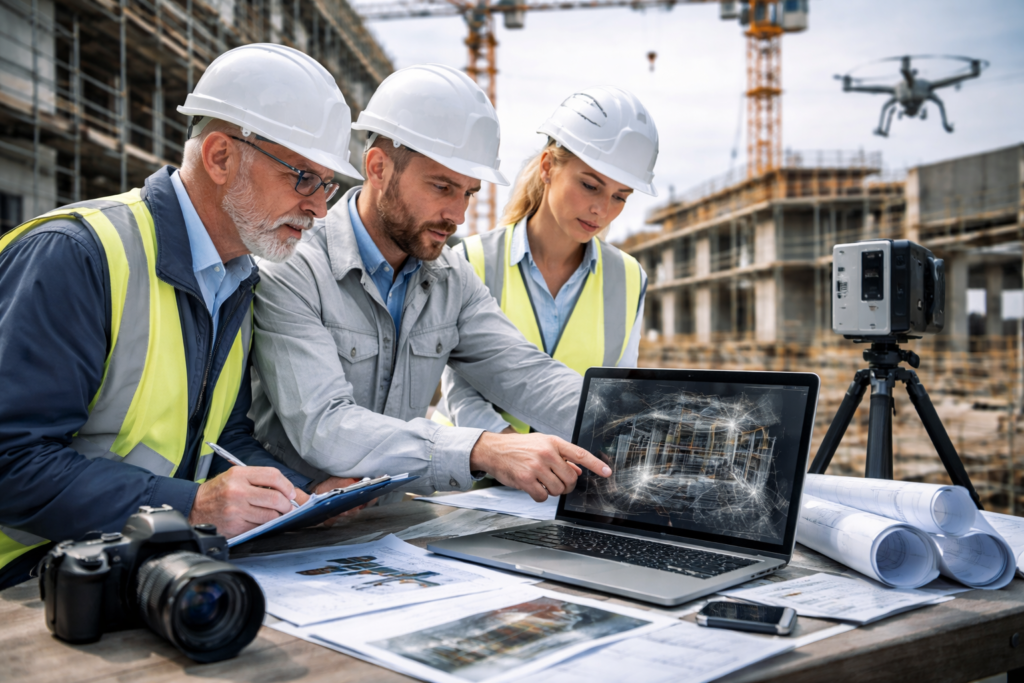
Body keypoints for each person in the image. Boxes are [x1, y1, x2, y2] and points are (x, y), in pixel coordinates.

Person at [0, 44, 362, 589]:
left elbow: (219, 436)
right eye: (303, 178)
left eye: (328, 186)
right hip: (24, 586)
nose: (319, 207)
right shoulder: (75, 255)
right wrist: (190, 505)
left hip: (137, 569)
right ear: (220, 157)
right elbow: (11, 463)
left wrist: (300, 496)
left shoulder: (238, 277)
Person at [249, 64, 613, 506]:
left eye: (469, 193)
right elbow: (324, 427)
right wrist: (482, 449)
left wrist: (632, 420)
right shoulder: (293, 267)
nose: (458, 215)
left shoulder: (450, 276)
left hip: (393, 530)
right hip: (290, 529)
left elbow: (523, 372)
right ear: (378, 167)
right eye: (442, 187)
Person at [433, 87, 656, 434]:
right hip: (464, 480)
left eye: (619, 197)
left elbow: (617, 392)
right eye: (590, 185)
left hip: (567, 480)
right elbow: (458, 392)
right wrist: (512, 453)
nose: (602, 209)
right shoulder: (470, 260)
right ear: (548, 166)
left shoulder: (628, 278)